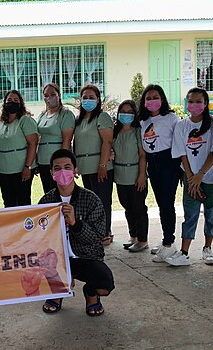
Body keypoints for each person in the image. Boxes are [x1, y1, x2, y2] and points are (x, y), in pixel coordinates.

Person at [39, 149, 115, 316]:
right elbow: (40, 238)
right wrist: (61, 269)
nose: (62, 172)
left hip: (85, 257)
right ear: (51, 172)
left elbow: (97, 237)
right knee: (38, 264)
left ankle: (91, 294)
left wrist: (75, 223)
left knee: (105, 284)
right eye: (57, 168)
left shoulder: (91, 199)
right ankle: (58, 293)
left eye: (67, 167)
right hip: (57, 259)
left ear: (75, 171)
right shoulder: (45, 202)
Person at [167, 88, 213, 267]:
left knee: (211, 213)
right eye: (191, 101)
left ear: (206, 104)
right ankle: (184, 252)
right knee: (190, 214)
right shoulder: (182, 126)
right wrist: (191, 178)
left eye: (199, 101)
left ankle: (207, 248)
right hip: (191, 177)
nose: (194, 105)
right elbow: (182, 153)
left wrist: (201, 175)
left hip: (211, 176)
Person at [138, 84, 181, 263]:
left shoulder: (171, 118)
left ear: (162, 99)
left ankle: (169, 244)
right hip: (152, 163)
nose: (152, 101)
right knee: (160, 203)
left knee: (167, 203)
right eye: (148, 98)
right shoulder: (143, 121)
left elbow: (180, 142)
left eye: (155, 97)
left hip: (169, 161)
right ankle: (166, 239)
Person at [73, 84, 114, 243]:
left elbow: (107, 142)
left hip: (100, 167)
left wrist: (102, 165)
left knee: (103, 201)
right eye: (85, 97)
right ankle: (94, 232)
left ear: (98, 100)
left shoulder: (102, 117)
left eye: (91, 97)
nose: (88, 100)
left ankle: (105, 232)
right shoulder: (79, 120)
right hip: (86, 167)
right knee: (91, 202)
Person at [113, 100, 149, 252]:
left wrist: (141, 175)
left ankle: (142, 240)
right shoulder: (115, 132)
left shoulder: (137, 131)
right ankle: (133, 236)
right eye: (123, 111)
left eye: (129, 112)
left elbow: (142, 155)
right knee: (127, 207)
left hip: (135, 174)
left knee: (138, 208)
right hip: (120, 175)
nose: (126, 115)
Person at [0, 90, 39, 207]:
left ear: (21, 103)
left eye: (16, 100)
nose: (12, 102)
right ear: (4, 103)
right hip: (4, 170)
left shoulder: (25, 120)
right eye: (9, 100)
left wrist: (27, 167)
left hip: (21, 170)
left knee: (22, 201)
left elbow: (33, 144)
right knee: (8, 202)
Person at [36, 83, 75, 194]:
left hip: (57, 163)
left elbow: (67, 140)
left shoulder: (65, 114)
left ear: (59, 95)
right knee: (48, 193)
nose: (49, 98)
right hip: (43, 162)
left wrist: (62, 161)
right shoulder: (42, 115)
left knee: (60, 192)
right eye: (46, 95)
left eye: (53, 94)